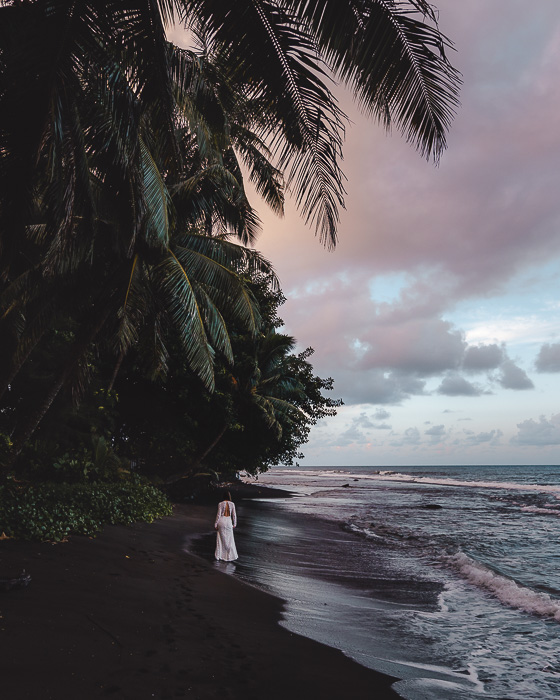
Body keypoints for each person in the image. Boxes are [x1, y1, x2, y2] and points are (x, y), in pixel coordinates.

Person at [214, 491, 238, 561]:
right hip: (228, 522)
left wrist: (215, 524)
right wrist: (235, 524)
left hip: (221, 521)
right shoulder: (232, 504)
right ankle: (228, 556)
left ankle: (219, 556)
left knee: (220, 539)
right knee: (229, 539)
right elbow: (234, 515)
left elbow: (218, 515)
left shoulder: (220, 504)